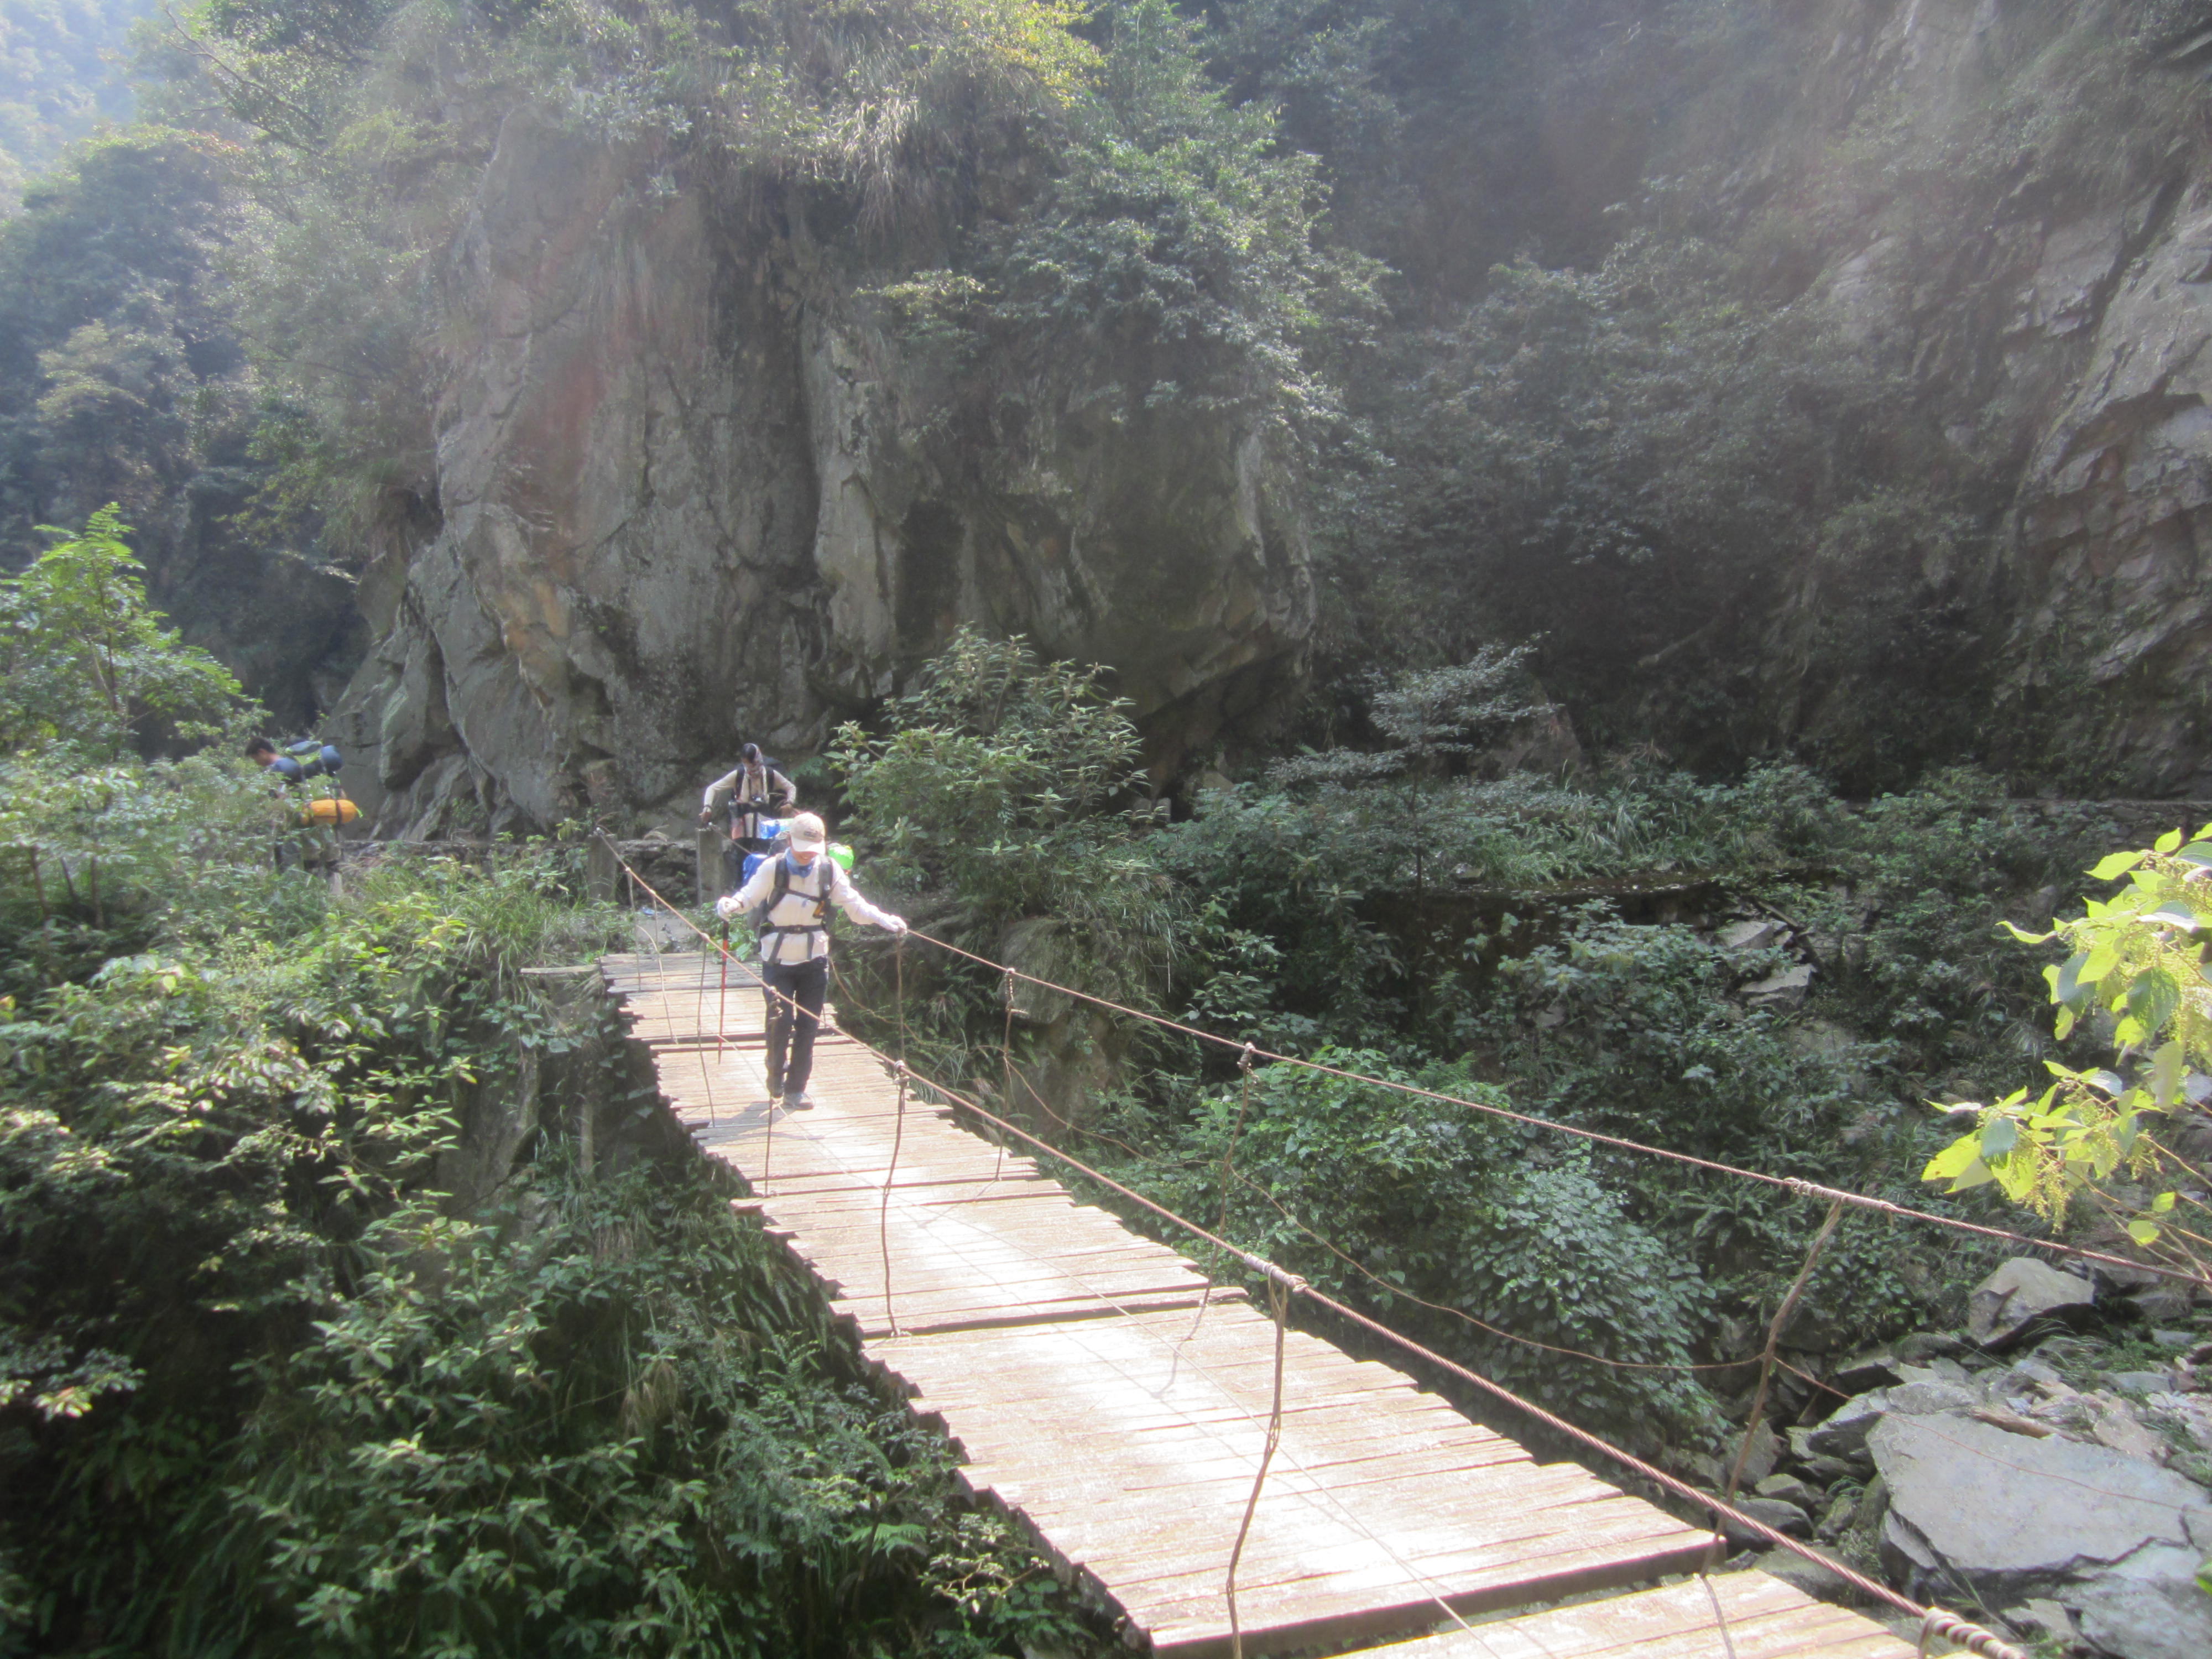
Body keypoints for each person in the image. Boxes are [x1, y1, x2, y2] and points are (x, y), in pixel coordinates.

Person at [715, 811, 904, 1109]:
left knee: (808, 1026)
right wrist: (732, 905)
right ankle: (775, 1071)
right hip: (777, 960)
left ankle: (795, 1090)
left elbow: (855, 906)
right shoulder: (772, 868)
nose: (806, 856)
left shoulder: (829, 871)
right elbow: (749, 897)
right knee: (781, 1022)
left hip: (814, 960)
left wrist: (885, 920)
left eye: (812, 850)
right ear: (789, 840)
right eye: (801, 849)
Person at [700, 742, 797, 893]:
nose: (749, 767)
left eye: (750, 763)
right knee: (739, 858)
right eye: (745, 763)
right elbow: (712, 788)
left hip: (763, 824)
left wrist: (789, 803)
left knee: (765, 857)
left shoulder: (771, 775)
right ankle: (739, 892)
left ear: (757, 760)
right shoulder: (739, 775)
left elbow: (791, 787)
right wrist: (708, 807)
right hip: (741, 823)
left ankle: (764, 892)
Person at [248, 735, 343, 880]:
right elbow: (340, 792)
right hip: (330, 814)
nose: (257, 763)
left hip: (304, 821)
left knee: (310, 862)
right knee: (333, 861)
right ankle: (338, 894)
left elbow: (281, 800)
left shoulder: (281, 770)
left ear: (262, 752)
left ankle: (316, 894)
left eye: (255, 759)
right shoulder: (318, 766)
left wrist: (275, 822)